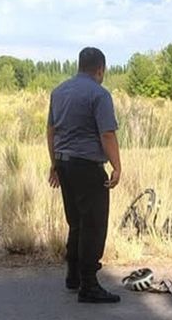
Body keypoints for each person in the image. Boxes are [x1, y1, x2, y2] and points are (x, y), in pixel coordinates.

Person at [47, 47, 122, 304]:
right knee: (93, 224)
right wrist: (117, 166)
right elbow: (107, 134)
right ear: (100, 69)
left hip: (64, 164)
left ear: (79, 65)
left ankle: (73, 275)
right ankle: (89, 284)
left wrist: (54, 163)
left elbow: (51, 130)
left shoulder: (59, 92)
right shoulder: (99, 94)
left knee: (76, 222)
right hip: (88, 166)